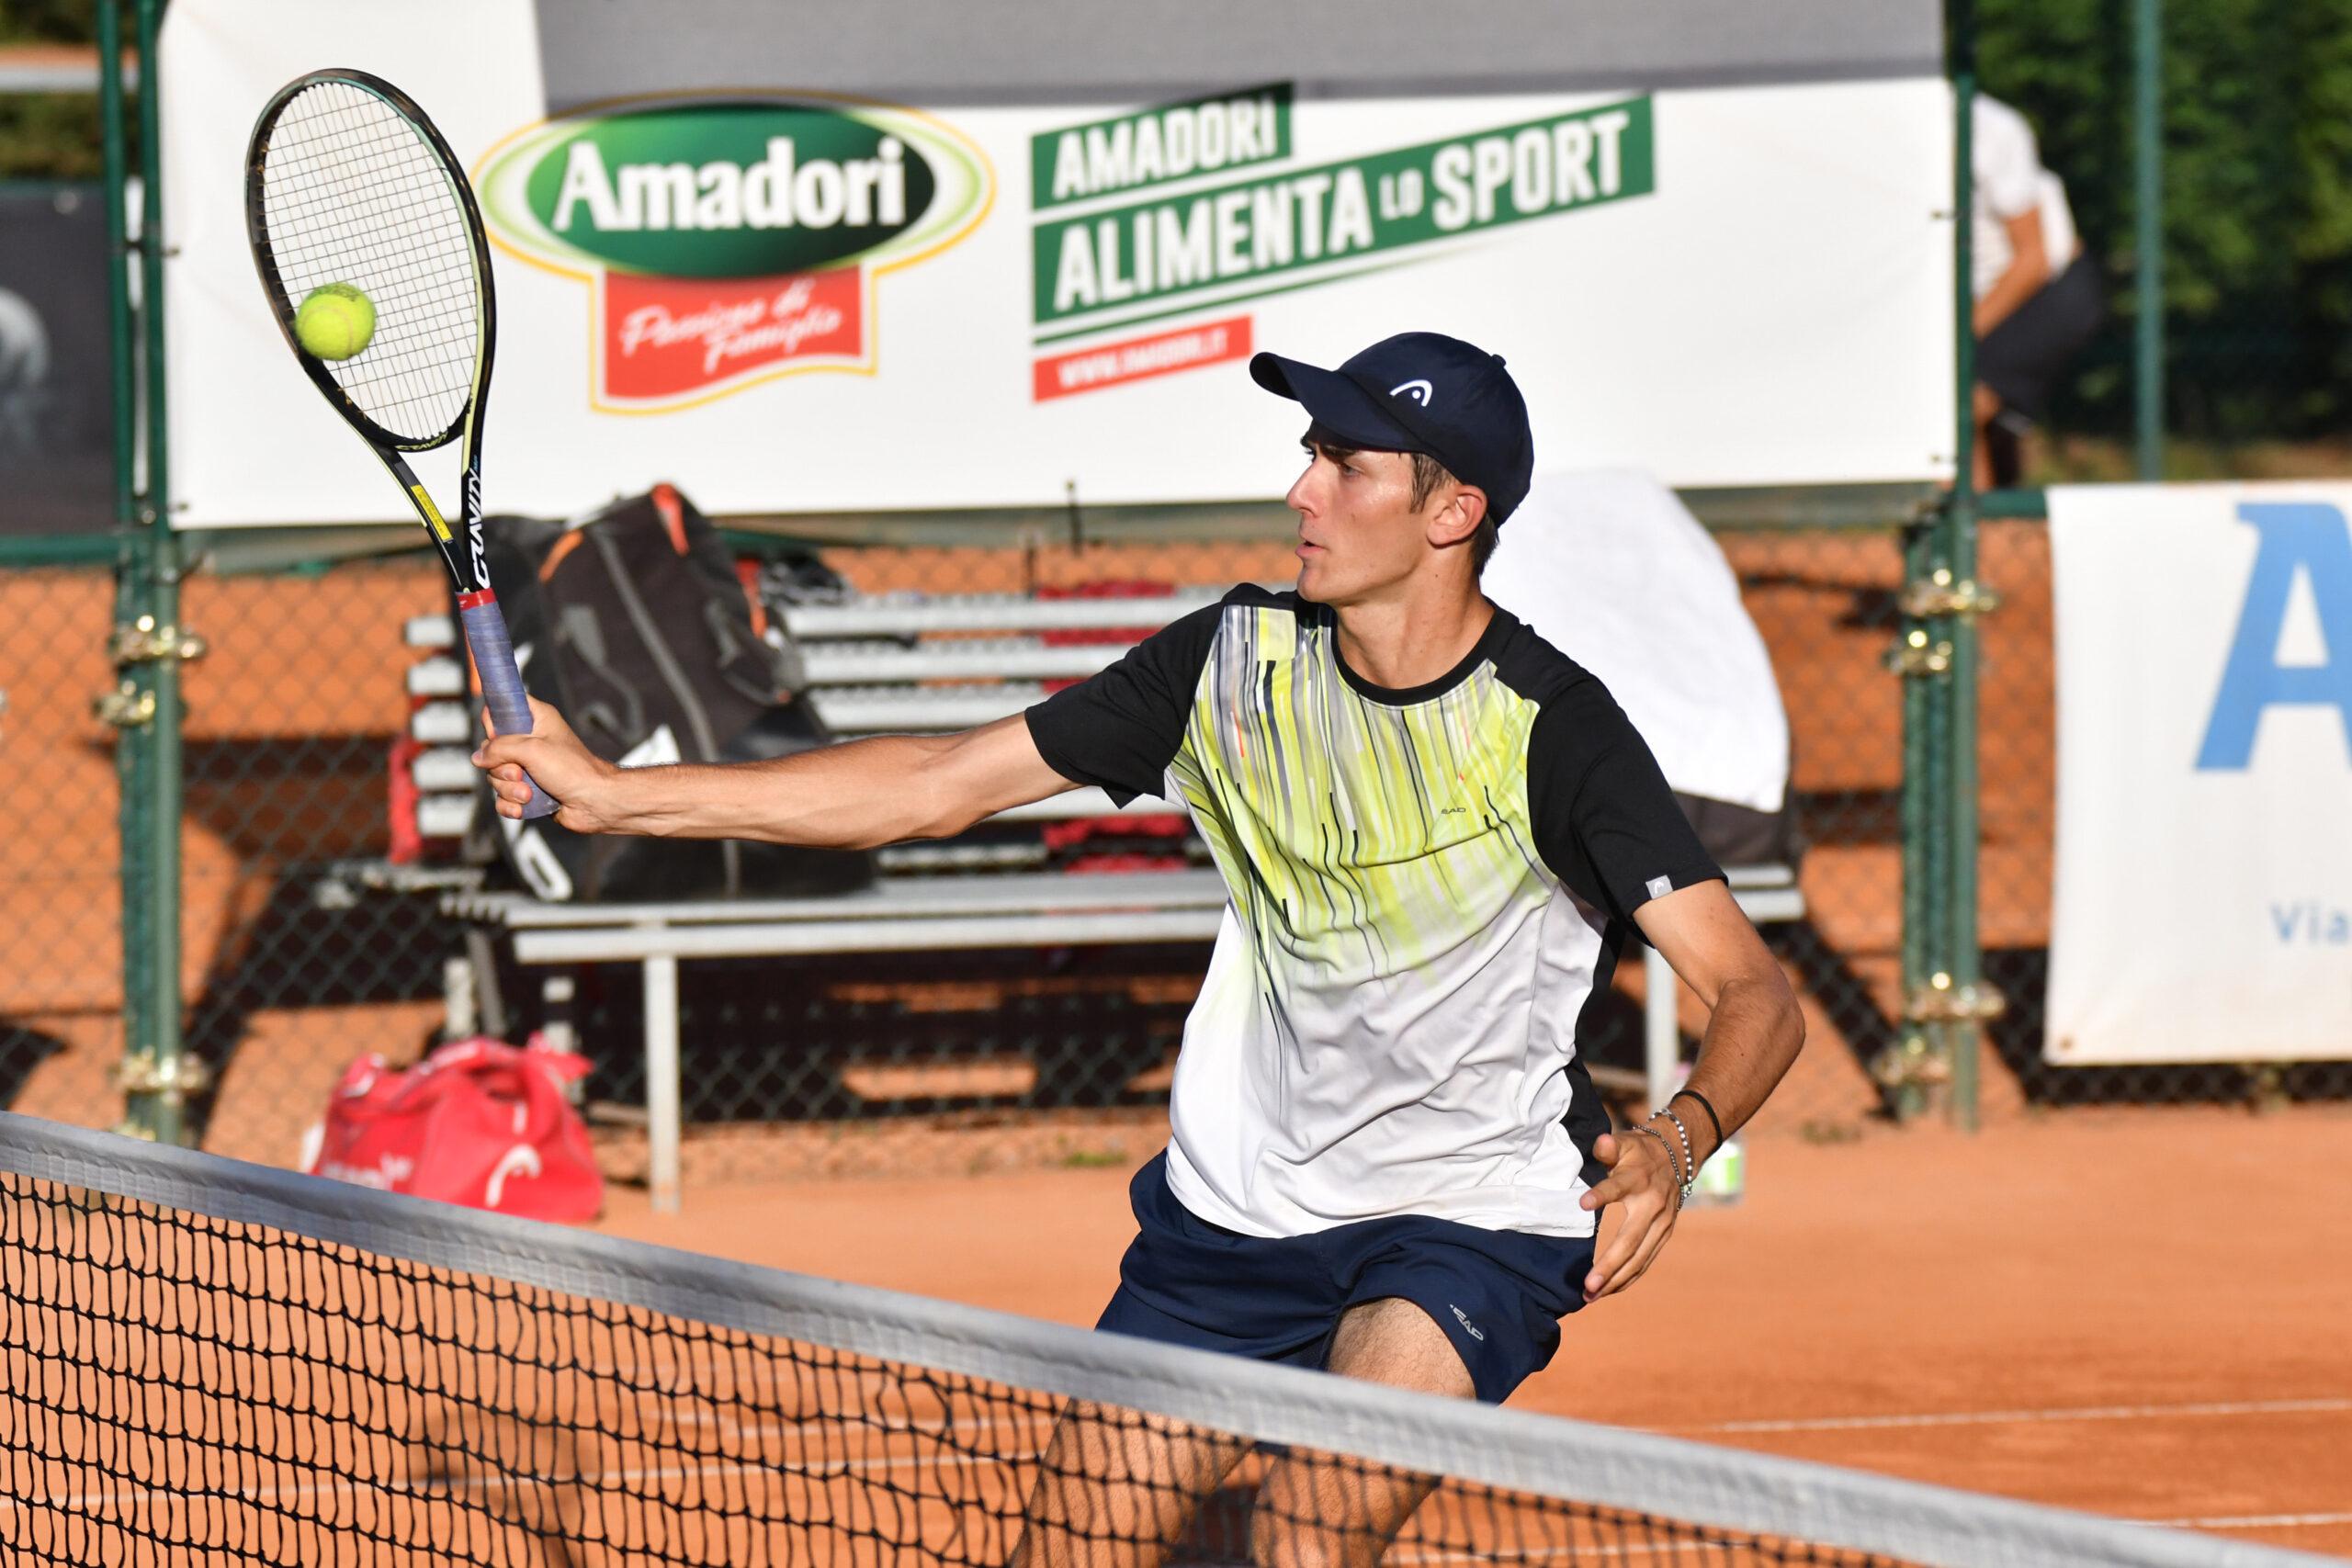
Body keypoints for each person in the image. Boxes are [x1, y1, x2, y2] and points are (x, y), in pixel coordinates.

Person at [475, 333, 1805, 1566]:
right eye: (1308, 454)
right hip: (1238, 1208)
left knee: (1303, 1531)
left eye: (1347, 464)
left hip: (1470, 1209)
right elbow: (937, 780)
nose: (1303, 490)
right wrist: (617, 791)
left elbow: (1753, 987)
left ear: (1452, 514)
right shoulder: (1227, 662)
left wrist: (1679, 1142)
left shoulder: (1552, 727)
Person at [1972, 95, 2104, 489]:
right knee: (1993, 429)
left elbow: (2034, 258)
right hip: (2001, 295)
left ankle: (1968, 540)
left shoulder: (1990, 127)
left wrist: (1965, 334)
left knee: (1962, 409)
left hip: (2046, 290)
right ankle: (2002, 533)